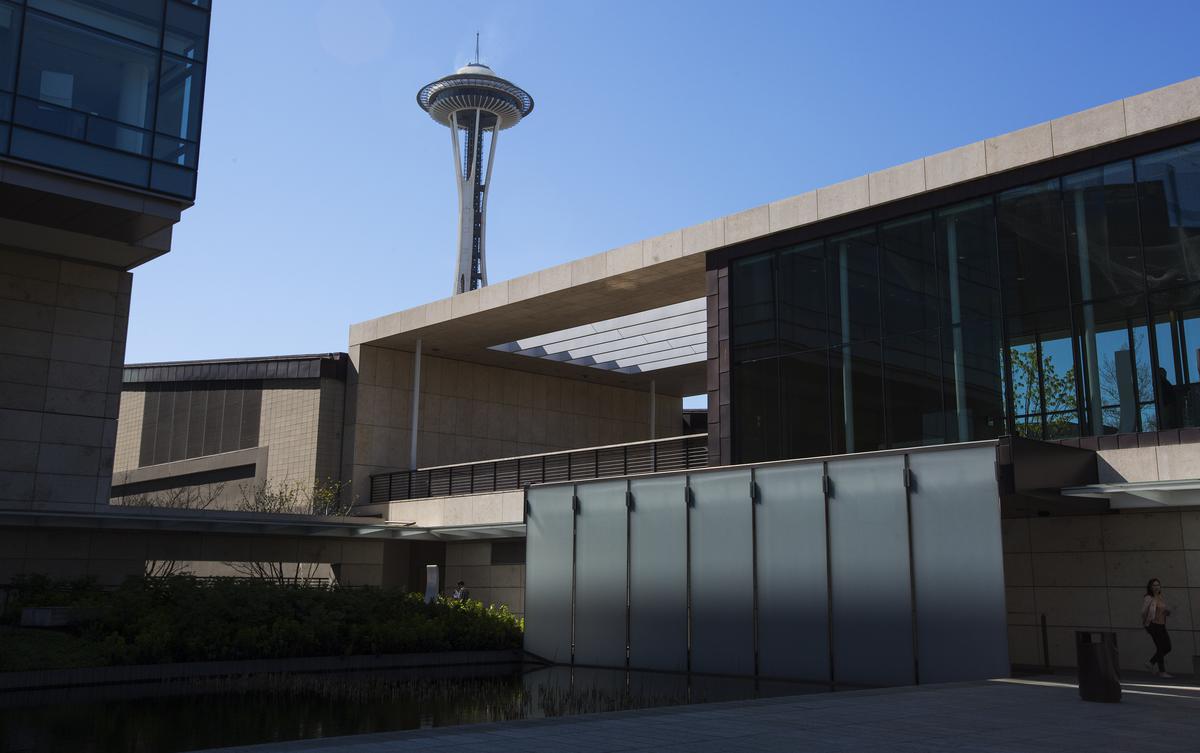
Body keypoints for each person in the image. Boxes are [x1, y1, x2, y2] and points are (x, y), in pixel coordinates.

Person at [1142, 577, 1173, 678]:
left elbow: (1161, 610)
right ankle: (1162, 671)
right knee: (1160, 647)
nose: (1156, 587)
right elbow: (1143, 611)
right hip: (1153, 625)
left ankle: (1150, 663)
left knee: (1167, 647)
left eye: (1158, 585)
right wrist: (1147, 623)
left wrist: (1166, 612)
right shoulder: (1148, 598)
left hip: (1162, 624)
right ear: (1150, 587)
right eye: (1154, 585)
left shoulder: (1160, 597)